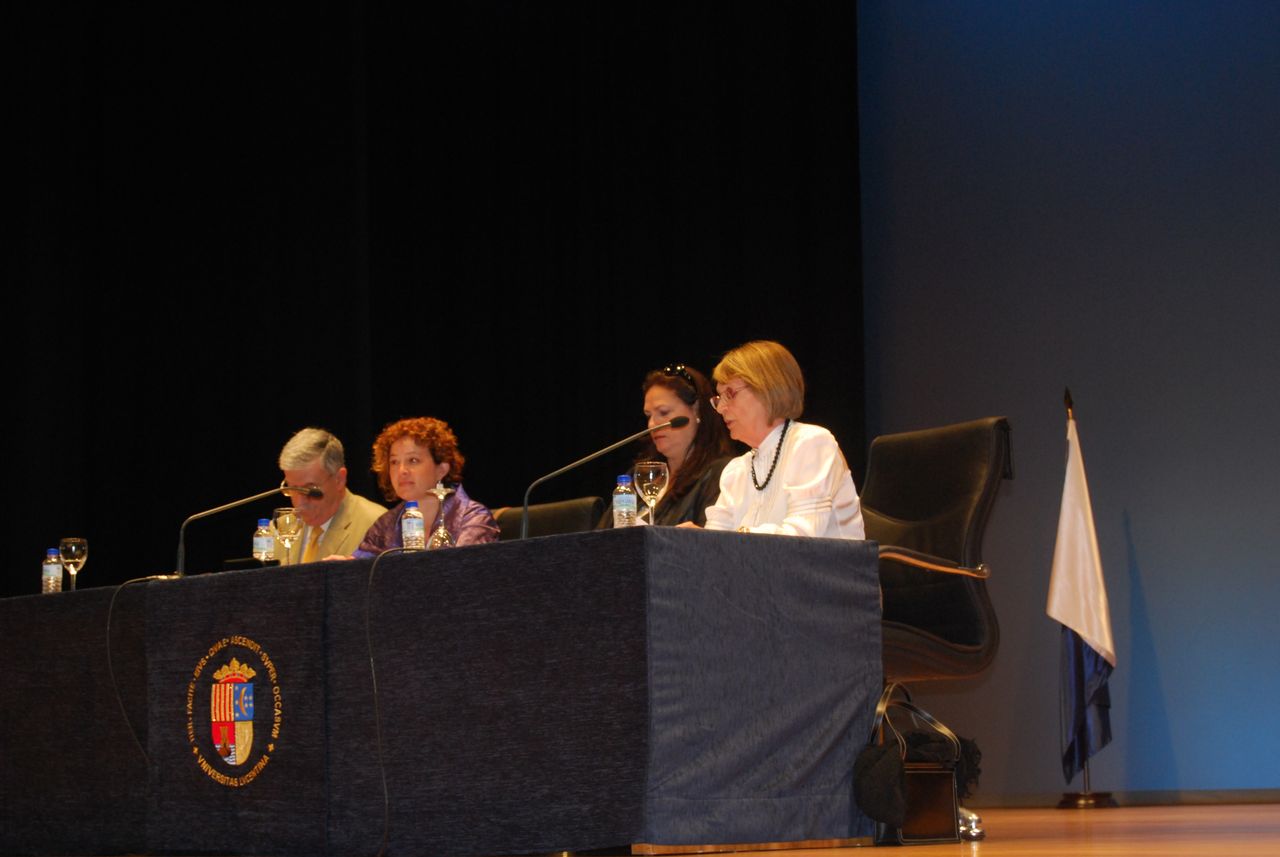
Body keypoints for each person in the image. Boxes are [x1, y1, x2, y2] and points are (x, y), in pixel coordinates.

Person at [689, 340, 865, 539]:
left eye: (730, 394)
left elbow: (801, 537)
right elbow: (715, 542)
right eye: (719, 398)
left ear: (767, 388)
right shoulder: (736, 470)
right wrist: (695, 540)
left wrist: (731, 539)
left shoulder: (811, 443)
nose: (721, 409)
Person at [602, 364, 736, 527]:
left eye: (664, 412)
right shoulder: (640, 477)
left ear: (696, 409)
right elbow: (600, 535)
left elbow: (710, 538)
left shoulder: (720, 473)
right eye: (648, 416)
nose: (652, 424)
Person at [355, 417, 499, 555]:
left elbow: (459, 567)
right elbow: (360, 565)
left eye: (413, 460)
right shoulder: (385, 525)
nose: (401, 470)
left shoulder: (473, 519)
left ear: (441, 470)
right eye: (394, 462)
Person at [277, 427, 386, 563]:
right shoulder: (280, 529)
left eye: (310, 490)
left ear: (339, 479)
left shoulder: (377, 526)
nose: (299, 502)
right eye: (292, 488)